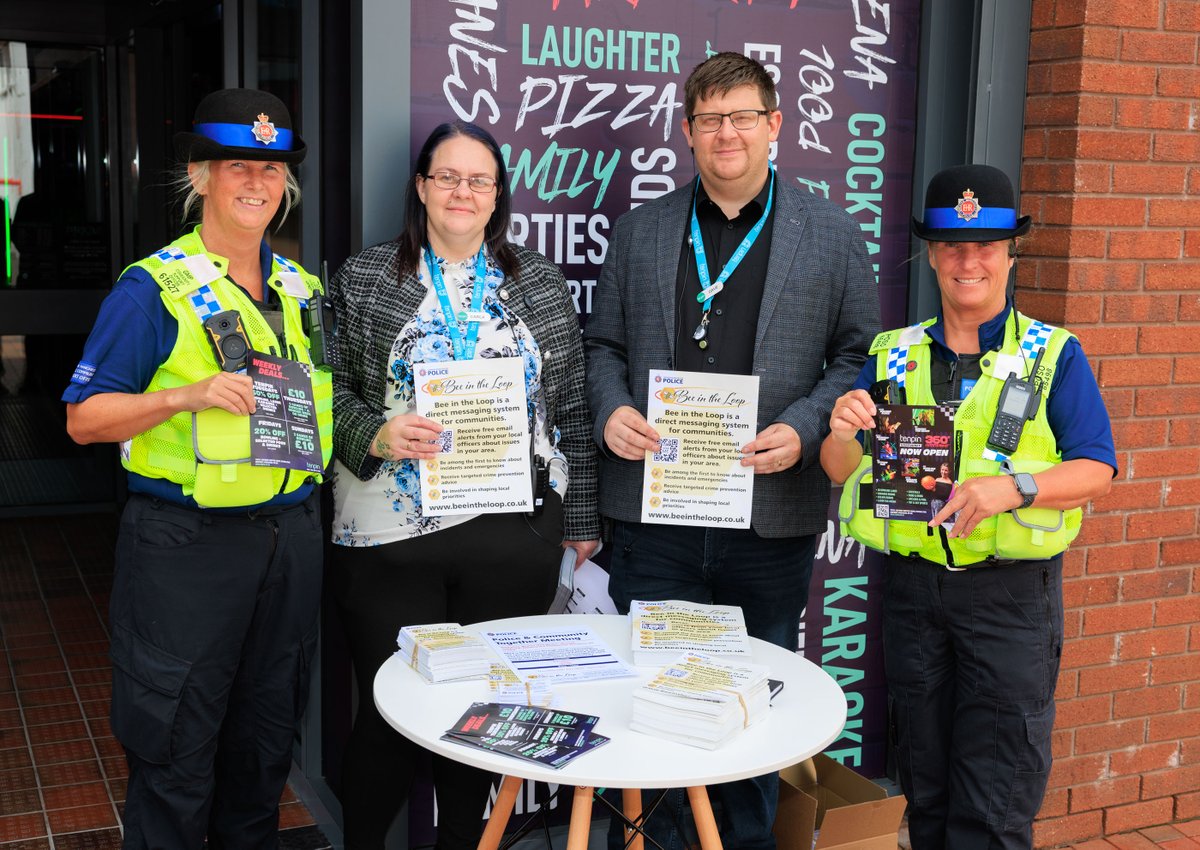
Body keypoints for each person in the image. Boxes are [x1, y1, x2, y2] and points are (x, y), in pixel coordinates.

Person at [583, 52, 878, 850]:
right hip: (655, 519)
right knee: (645, 708)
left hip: (767, 524)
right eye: (709, 119)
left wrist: (809, 426)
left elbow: (859, 357)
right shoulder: (644, 230)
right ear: (686, 131)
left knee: (749, 717)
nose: (726, 133)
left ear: (775, 125)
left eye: (743, 116)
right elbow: (602, 343)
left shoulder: (831, 231)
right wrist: (612, 409)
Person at [62, 88, 330, 849]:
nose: (257, 184)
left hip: (287, 541)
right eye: (239, 167)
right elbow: (84, 419)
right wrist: (186, 394)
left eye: (272, 170)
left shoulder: (300, 289)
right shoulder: (152, 289)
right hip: (186, 550)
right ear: (200, 175)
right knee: (175, 750)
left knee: (262, 748)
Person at [820, 164, 1116, 850]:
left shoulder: (1052, 355)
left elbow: (1096, 467)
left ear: (1011, 252)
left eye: (986, 244)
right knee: (923, 781)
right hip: (914, 593)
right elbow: (841, 472)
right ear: (930, 254)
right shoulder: (891, 355)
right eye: (953, 245)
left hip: (1010, 601)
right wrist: (839, 429)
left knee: (997, 790)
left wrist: (1011, 488)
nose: (968, 260)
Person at [327, 120, 600, 850]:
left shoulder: (537, 281)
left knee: (482, 718)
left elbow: (571, 406)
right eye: (447, 177)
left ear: (498, 194)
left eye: (479, 180)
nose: (462, 192)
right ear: (420, 187)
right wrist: (378, 434)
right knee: (390, 717)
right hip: (388, 538)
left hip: (511, 536)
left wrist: (581, 518)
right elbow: (328, 391)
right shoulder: (365, 276)